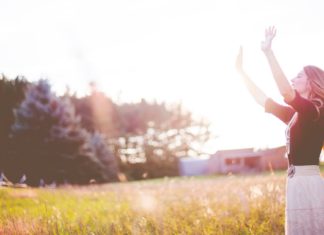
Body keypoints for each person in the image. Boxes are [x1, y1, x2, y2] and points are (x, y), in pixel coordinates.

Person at [236, 26, 324, 234]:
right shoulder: (297, 115)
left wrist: (268, 53)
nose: (293, 79)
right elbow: (262, 99)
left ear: (312, 83)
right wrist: (241, 73)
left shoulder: (316, 111)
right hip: (295, 182)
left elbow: (286, 91)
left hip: (308, 183)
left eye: (299, 76)